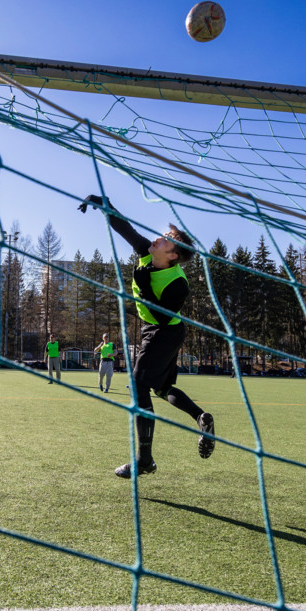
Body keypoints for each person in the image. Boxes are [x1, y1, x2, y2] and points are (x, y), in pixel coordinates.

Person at [79, 194, 215, 478]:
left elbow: (164, 316)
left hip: (166, 331)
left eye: (166, 240)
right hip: (153, 330)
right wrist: (102, 202)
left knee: (139, 384)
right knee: (162, 390)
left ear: (174, 255)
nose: (158, 239)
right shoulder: (146, 252)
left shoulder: (178, 283)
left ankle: (145, 461)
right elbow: (124, 227)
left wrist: (143, 287)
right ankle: (201, 419)